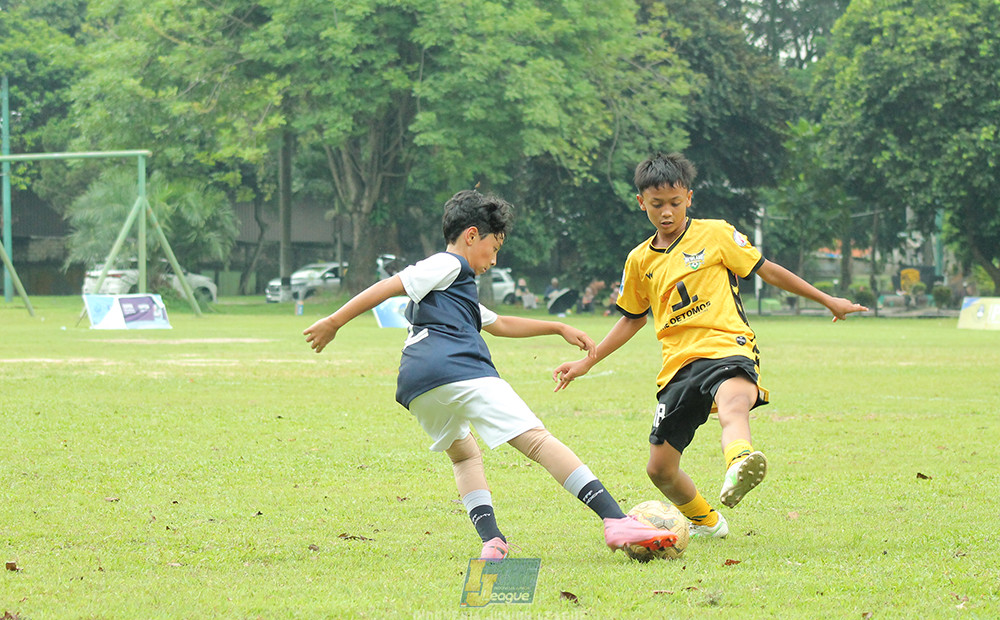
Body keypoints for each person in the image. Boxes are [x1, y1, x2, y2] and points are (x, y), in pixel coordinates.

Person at [304, 189, 677, 559]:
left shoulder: (452, 290)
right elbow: (389, 286)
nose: (494, 261)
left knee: (464, 456)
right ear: (471, 236)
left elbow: (499, 324)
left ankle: (492, 541)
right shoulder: (448, 265)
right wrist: (334, 321)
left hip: (418, 384)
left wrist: (557, 327)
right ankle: (615, 519)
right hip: (457, 367)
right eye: (494, 248)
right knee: (537, 441)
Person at [553, 152, 868, 539]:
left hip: (726, 345)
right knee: (660, 469)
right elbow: (632, 318)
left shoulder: (717, 234)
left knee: (733, 402)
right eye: (656, 204)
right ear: (641, 203)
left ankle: (739, 461)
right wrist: (588, 361)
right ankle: (707, 522)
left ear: (689, 197)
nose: (666, 212)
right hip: (678, 366)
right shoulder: (639, 260)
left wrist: (827, 300)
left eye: (674, 202)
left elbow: (768, 270)